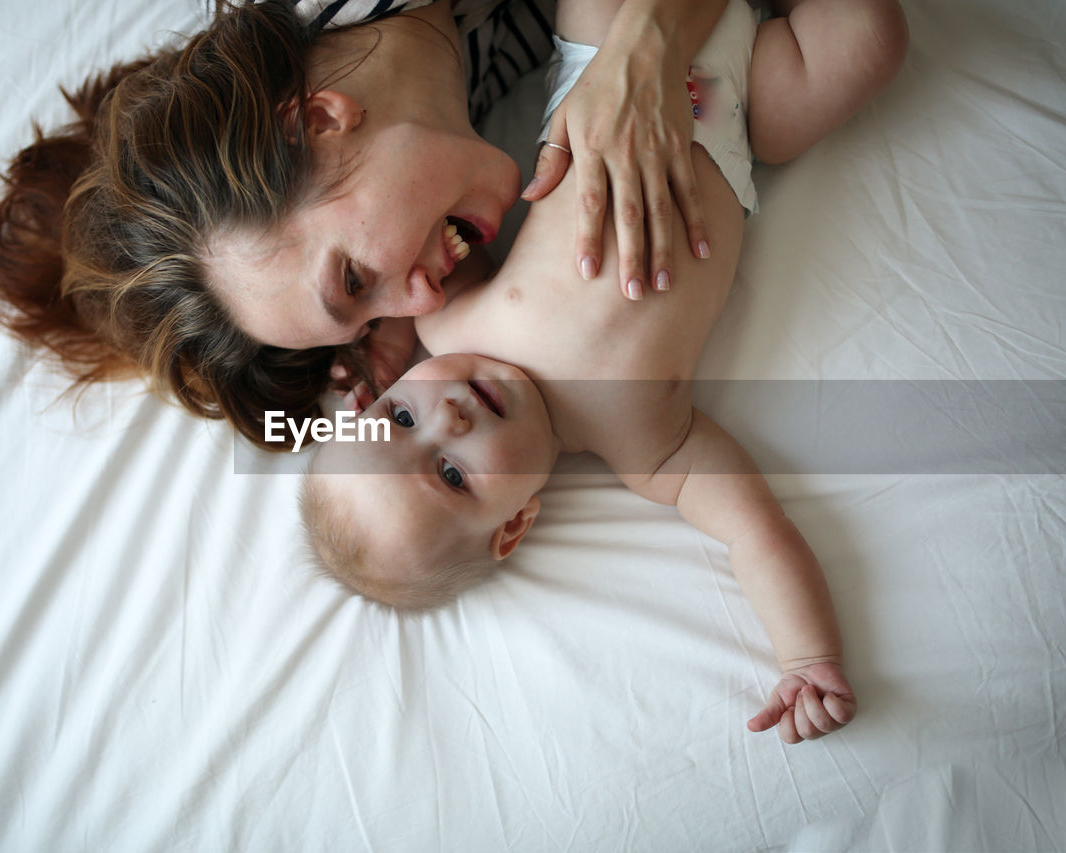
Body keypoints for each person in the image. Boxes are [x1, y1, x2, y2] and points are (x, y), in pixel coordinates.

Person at [301, 0, 908, 744]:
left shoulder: (451, 320)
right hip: (730, 111)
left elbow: (421, 245)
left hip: (607, 64)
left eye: (400, 418)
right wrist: (808, 653)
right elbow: (754, 531)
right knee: (870, 42)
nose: (447, 420)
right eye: (454, 475)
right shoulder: (648, 446)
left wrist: (375, 338)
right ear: (514, 523)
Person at [0, 0, 739, 448]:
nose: (425, 304)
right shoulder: (428, 82)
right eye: (369, 312)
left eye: (352, 277)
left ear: (318, 118)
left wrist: (646, 43)